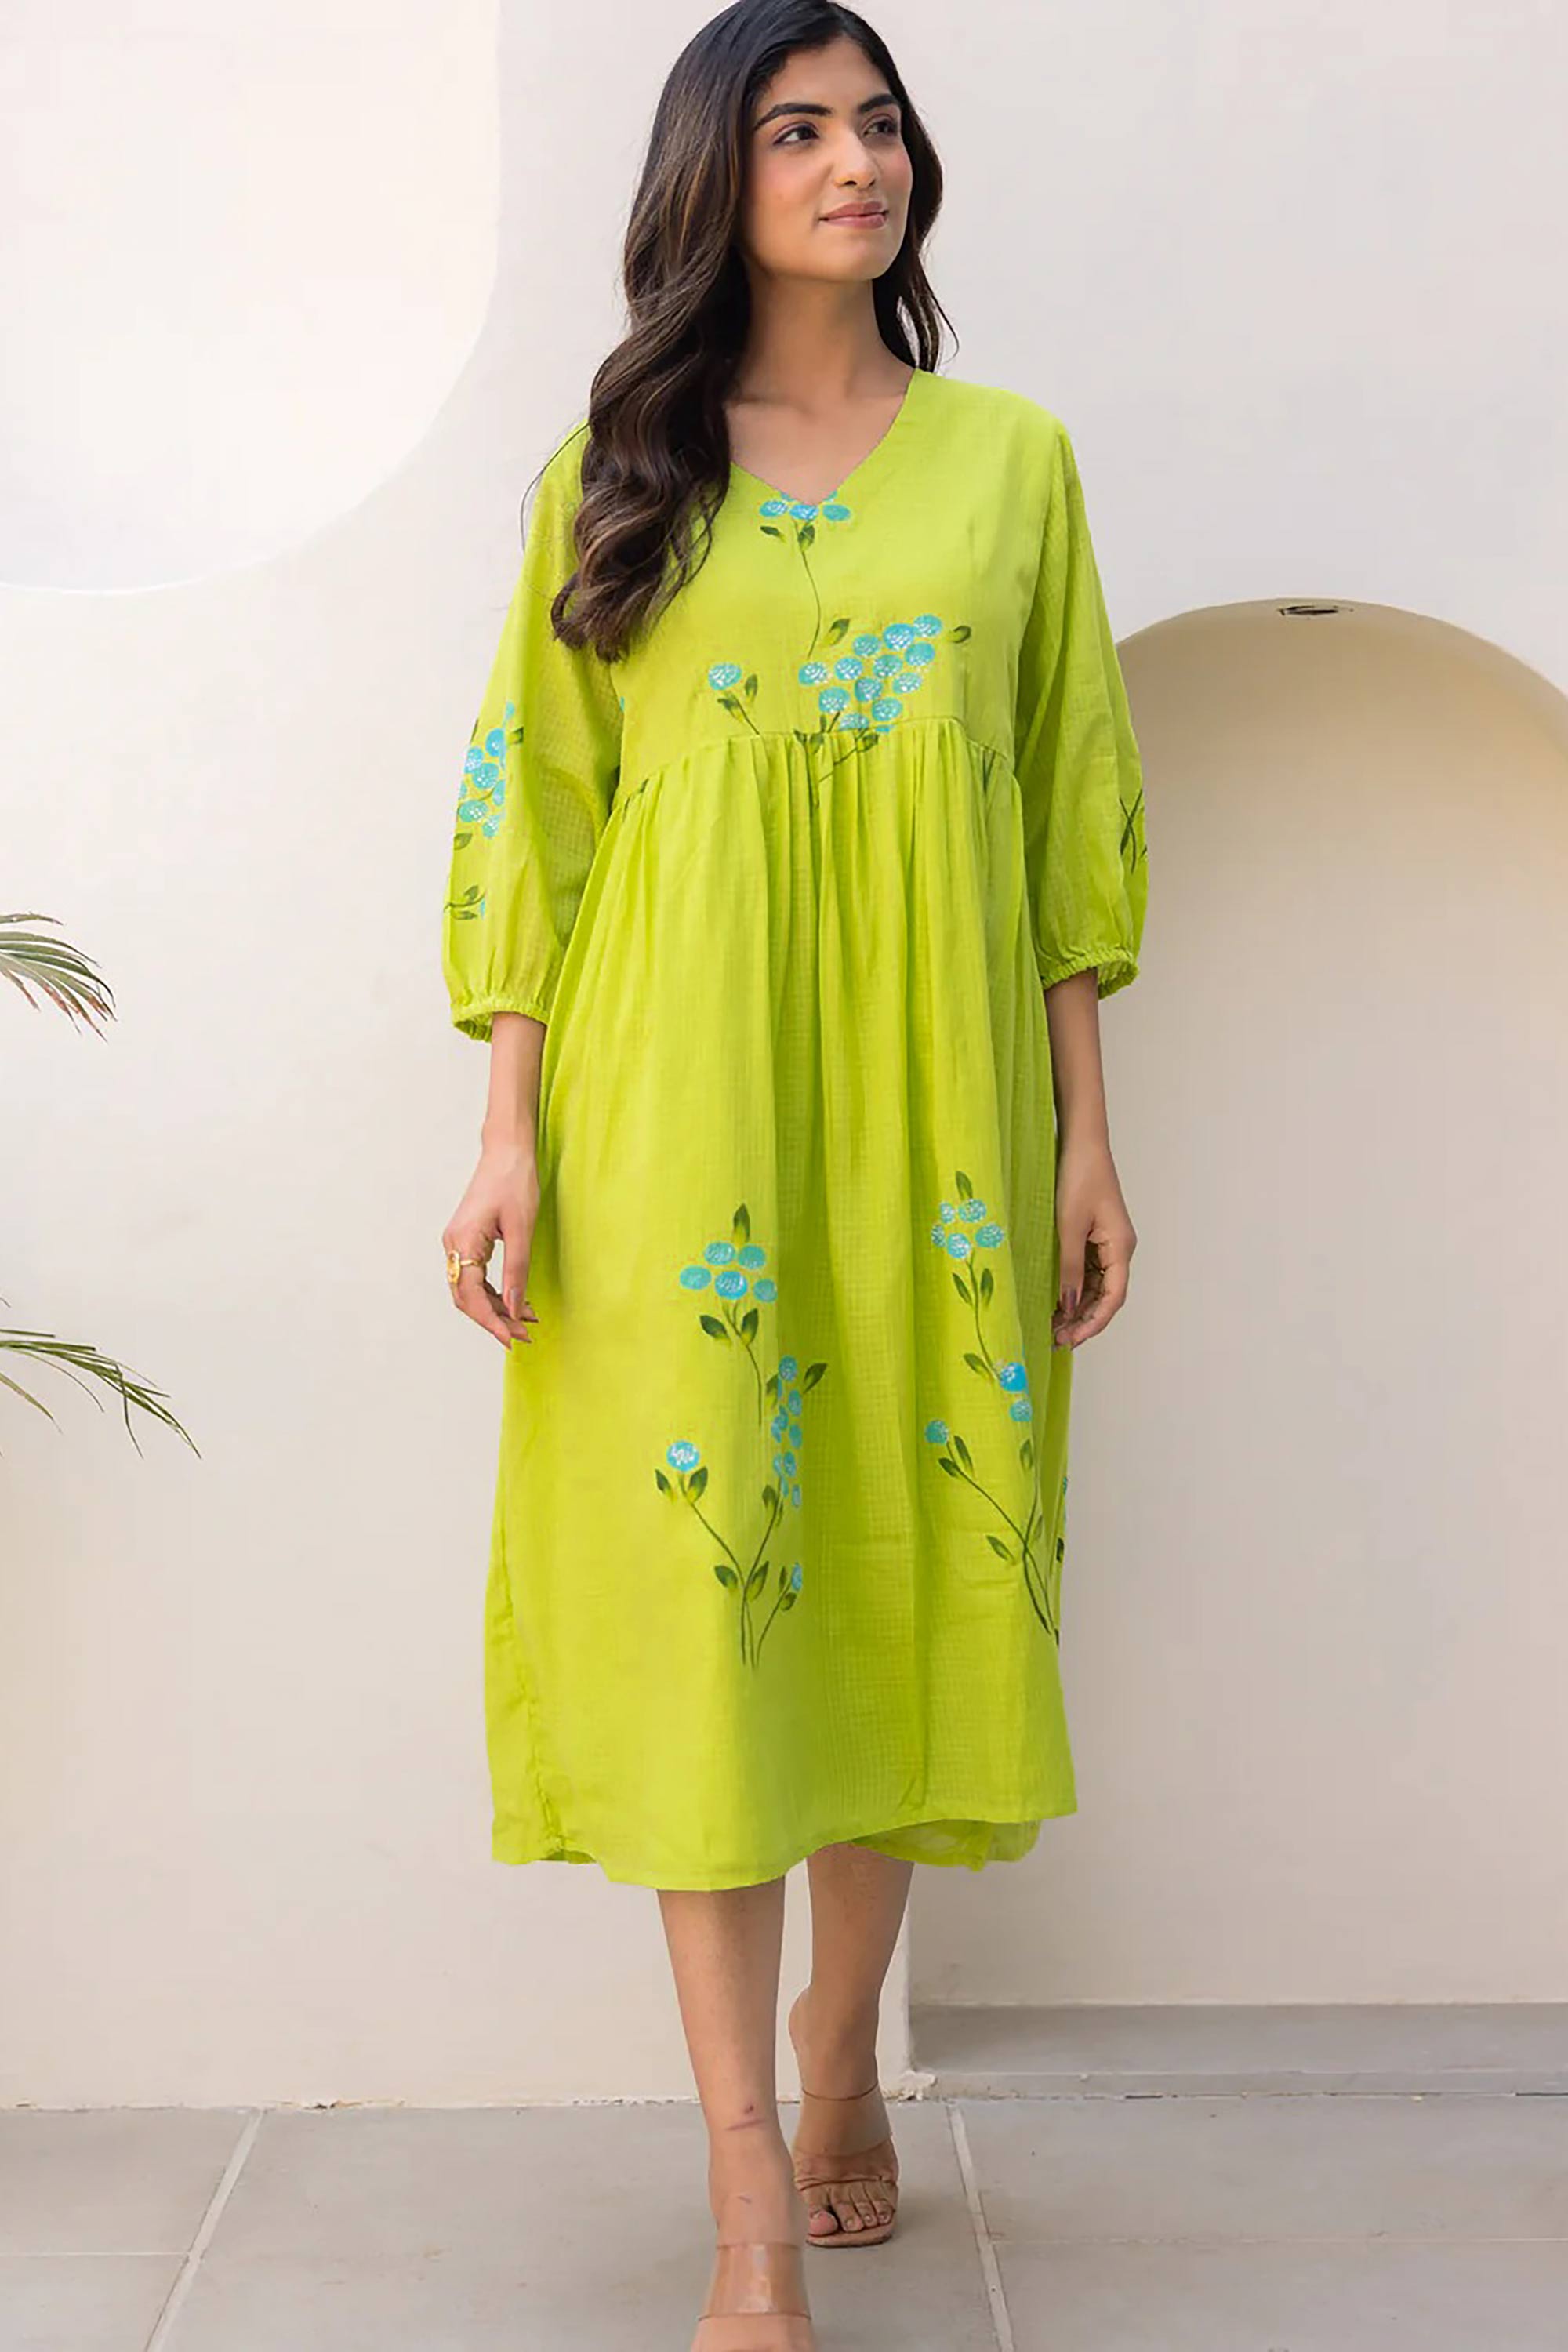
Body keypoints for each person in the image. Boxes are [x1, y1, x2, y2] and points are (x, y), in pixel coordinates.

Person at [438, 4, 1149, 2343]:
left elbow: (1064, 808)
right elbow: (538, 809)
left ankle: (847, 2048)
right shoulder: (621, 465)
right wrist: (508, 1128)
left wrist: (1089, 1135)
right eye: (801, 129)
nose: (859, 162)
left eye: (879, 124)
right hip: (679, 1117)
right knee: (709, 1618)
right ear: (713, 177)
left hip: (944, 1118)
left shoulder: (1014, 460)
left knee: (889, 1581)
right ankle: (748, 2185)